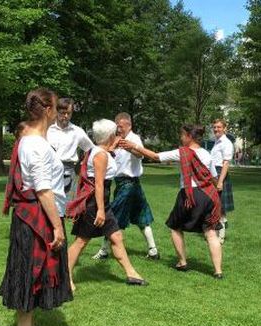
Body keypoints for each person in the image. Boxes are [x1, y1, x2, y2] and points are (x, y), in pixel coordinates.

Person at [0, 88, 72, 326]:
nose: (60, 113)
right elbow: (42, 188)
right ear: (48, 111)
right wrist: (56, 226)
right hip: (37, 218)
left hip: (32, 216)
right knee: (29, 271)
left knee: (33, 270)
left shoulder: (30, 139)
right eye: (56, 108)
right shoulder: (36, 144)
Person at [119, 124, 223, 279]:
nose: (181, 138)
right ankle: (218, 271)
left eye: (182, 135)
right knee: (211, 233)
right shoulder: (207, 154)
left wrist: (135, 146)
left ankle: (182, 262)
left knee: (175, 227)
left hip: (189, 195)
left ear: (189, 136)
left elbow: (155, 156)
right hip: (208, 196)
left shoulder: (181, 153)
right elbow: (213, 178)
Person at [66, 119, 147, 290]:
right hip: (95, 203)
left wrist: (112, 147)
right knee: (81, 241)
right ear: (110, 135)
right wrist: (101, 211)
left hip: (101, 202)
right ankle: (65, 277)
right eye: (115, 133)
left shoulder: (98, 151)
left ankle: (131, 274)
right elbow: (99, 184)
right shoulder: (100, 155)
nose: (117, 135)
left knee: (116, 237)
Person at [92, 112, 159, 260]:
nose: (119, 129)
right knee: (141, 216)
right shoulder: (116, 139)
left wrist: (130, 147)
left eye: (121, 127)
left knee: (112, 217)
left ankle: (104, 251)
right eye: (117, 127)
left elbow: (140, 155)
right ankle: (153, 250)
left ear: (129, 125)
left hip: (128, 184)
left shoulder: (134, 139)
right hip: (126, 184)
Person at [46, 98, 94, 200]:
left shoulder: (77, 131)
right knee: (48, 204)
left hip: (68, 172)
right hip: (48, 171)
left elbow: (91, 150)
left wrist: (83, 165)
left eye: (69, 113)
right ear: (56, 112)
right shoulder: (47, 130)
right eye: (63, 113)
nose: (66, 116)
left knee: (65, 207)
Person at [210, 119, 234, 244]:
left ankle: (221, 236)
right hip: (214, 173)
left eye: (219, 127)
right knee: (215, 205)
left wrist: (220, 181)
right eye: (214, 127)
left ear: (224, 128)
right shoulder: (217, 142)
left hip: (220, 174)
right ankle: (217, 231)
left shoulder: (226, 143)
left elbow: (226, 163)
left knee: (220, 206)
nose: (216, 129)